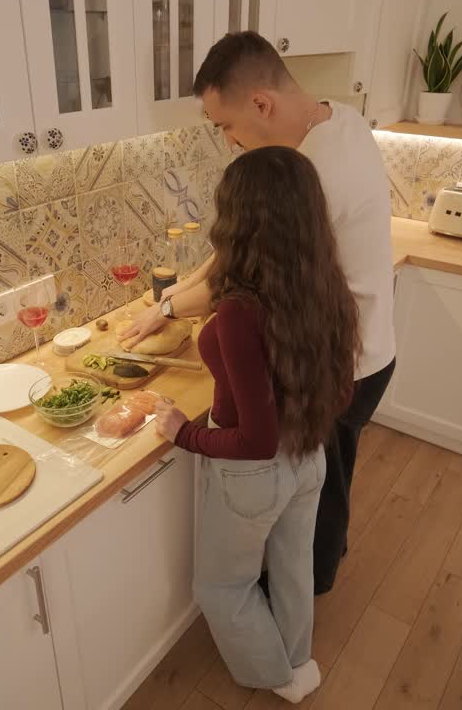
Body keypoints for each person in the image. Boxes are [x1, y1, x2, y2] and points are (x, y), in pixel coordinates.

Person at [123, 31, 396, 594]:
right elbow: (230, 254)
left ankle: (306, 592)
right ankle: (307, 577)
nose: (227, 140)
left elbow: (236, 276)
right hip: (359, 346)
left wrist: (169, 307)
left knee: (321, 496)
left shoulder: (317, 177)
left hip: (346, 364)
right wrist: (166, 305)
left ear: (261, 105)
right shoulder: (339, 121)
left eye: (224, 125)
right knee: (323, 481)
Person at [153, 146, 359, 703]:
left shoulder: (242, 310)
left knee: (220, 586)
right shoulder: (324, 283)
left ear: (238, 219)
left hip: (252, 474)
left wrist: (181, 431)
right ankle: (298, 661)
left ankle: (274, 676)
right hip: (308, 458)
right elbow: (339, 390)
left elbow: (253, 438)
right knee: (292, 569)